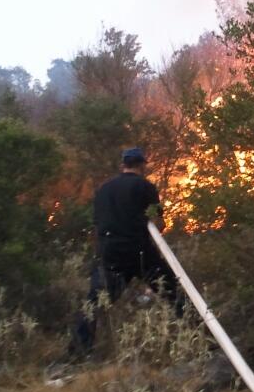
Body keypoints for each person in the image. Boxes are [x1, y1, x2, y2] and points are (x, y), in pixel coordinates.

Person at [74, 147, 182, 353]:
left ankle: (78, 351)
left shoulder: (103, 190)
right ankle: (204, 340)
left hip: (110, 253)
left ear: (123, 164)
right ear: (142, 165)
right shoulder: (145, 186)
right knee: (172, 293)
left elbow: (96, 226)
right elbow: (158, 222)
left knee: (94, 304)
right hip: (139, 251)